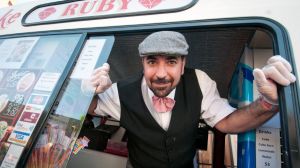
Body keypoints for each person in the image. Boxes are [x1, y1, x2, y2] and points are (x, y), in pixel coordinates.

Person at [84, 31, 296, 168]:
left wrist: (269, 103)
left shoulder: (200, 81)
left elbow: (228, 122)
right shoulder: (121, 90)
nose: (160, 73)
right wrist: (86, 92)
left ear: (183, 64)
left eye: (171, 61)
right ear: (143, 64)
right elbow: (93, 107)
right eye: (152, 62)